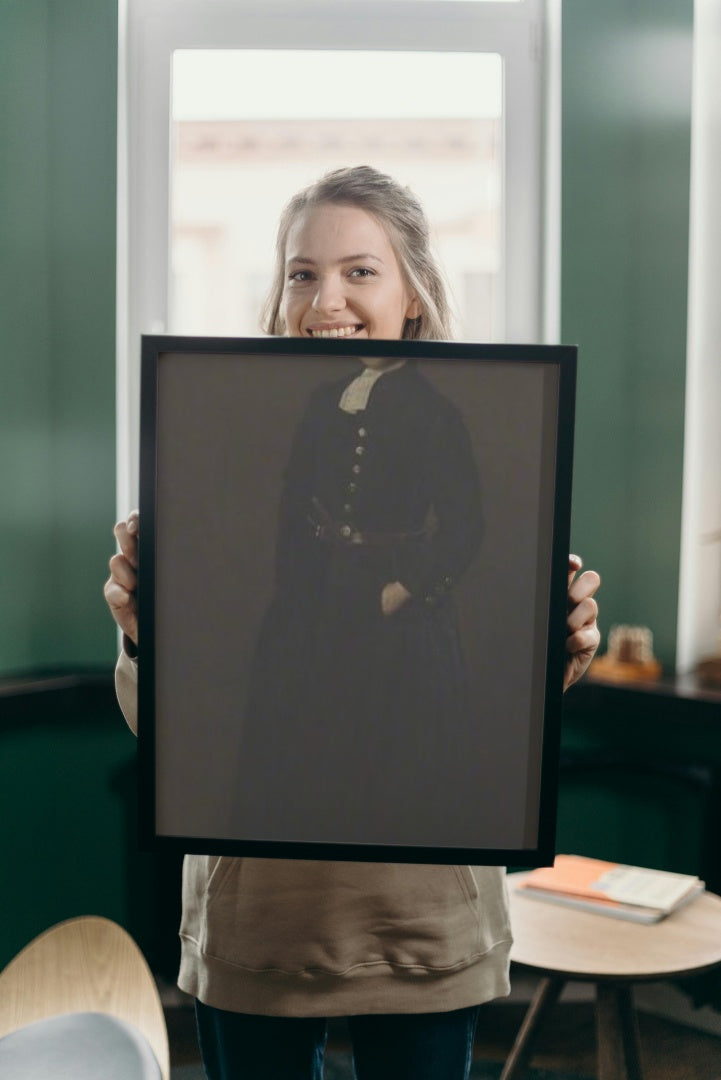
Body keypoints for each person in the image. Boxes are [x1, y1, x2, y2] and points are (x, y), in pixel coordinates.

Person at [105, 166, 601, 1080]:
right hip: (259, 920)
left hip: (418, 918)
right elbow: (171, 731)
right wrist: (147, 632)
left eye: (359, 271)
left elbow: (466, 532)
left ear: (412, 293)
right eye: (301, 273)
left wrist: (546, 648)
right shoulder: (273, 414)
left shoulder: (446, 409)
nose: (324, 298)